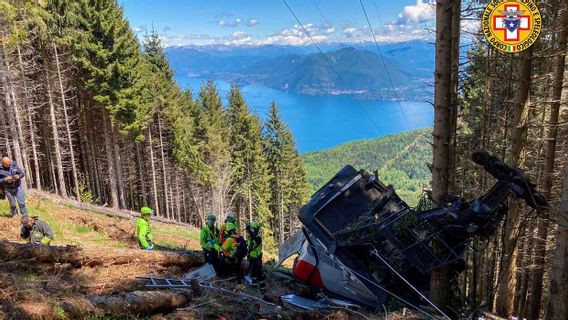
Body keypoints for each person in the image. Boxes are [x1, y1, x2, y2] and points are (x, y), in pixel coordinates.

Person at [246, 221, 265, 289]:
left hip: (257, 258)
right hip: (251, 257)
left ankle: (263, 287)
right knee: (253, 272)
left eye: (252, 229)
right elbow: (248, 246)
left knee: (258, 273)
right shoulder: (249, 237)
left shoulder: (258, 237)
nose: (251, 230)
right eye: (251, 228)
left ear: (256, 229)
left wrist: (250, 231)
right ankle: (254, 285)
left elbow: (256, 240)